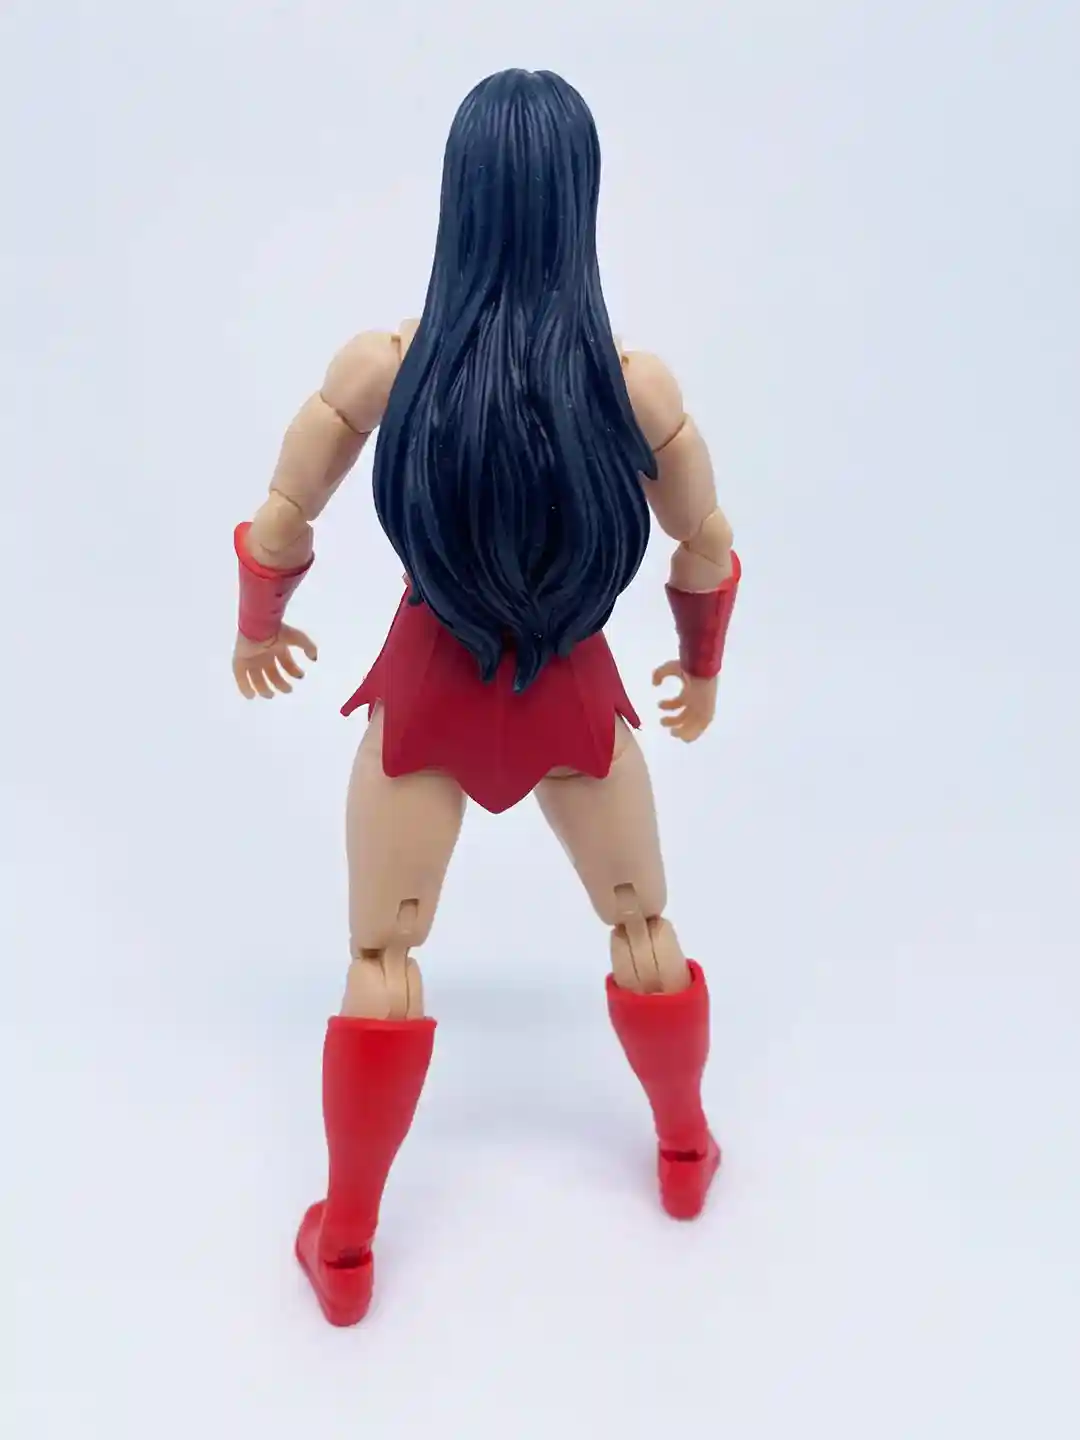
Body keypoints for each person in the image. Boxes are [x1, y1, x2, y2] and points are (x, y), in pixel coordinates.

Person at [231, 69, 740, 1326]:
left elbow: (284, 511)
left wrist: (260, 621)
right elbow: (705, 544)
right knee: (642, 928)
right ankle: (684, 1152)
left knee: (382, 956)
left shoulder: (388, 366)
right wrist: (701, 666)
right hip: (571, 690)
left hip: (433, 693)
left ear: (459, 198)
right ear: (580, 204)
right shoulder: (632, 387)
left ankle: (348, 1243)